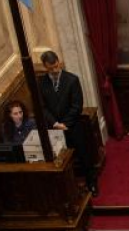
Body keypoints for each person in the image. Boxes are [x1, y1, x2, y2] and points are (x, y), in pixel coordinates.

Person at [38, 50, 94, 192]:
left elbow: (77, 105)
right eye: (51, 69)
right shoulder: (41, 82)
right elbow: (42, 107)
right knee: (60, 159)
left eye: (56, 66)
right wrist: (55, 124)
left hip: (73, 125)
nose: (55, 70)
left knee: (84, 156)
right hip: (54, 127)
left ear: (59, 61)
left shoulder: (72, 80)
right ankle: (69, 189)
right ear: (45, 67)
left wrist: (65, 124)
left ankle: (92, 183)